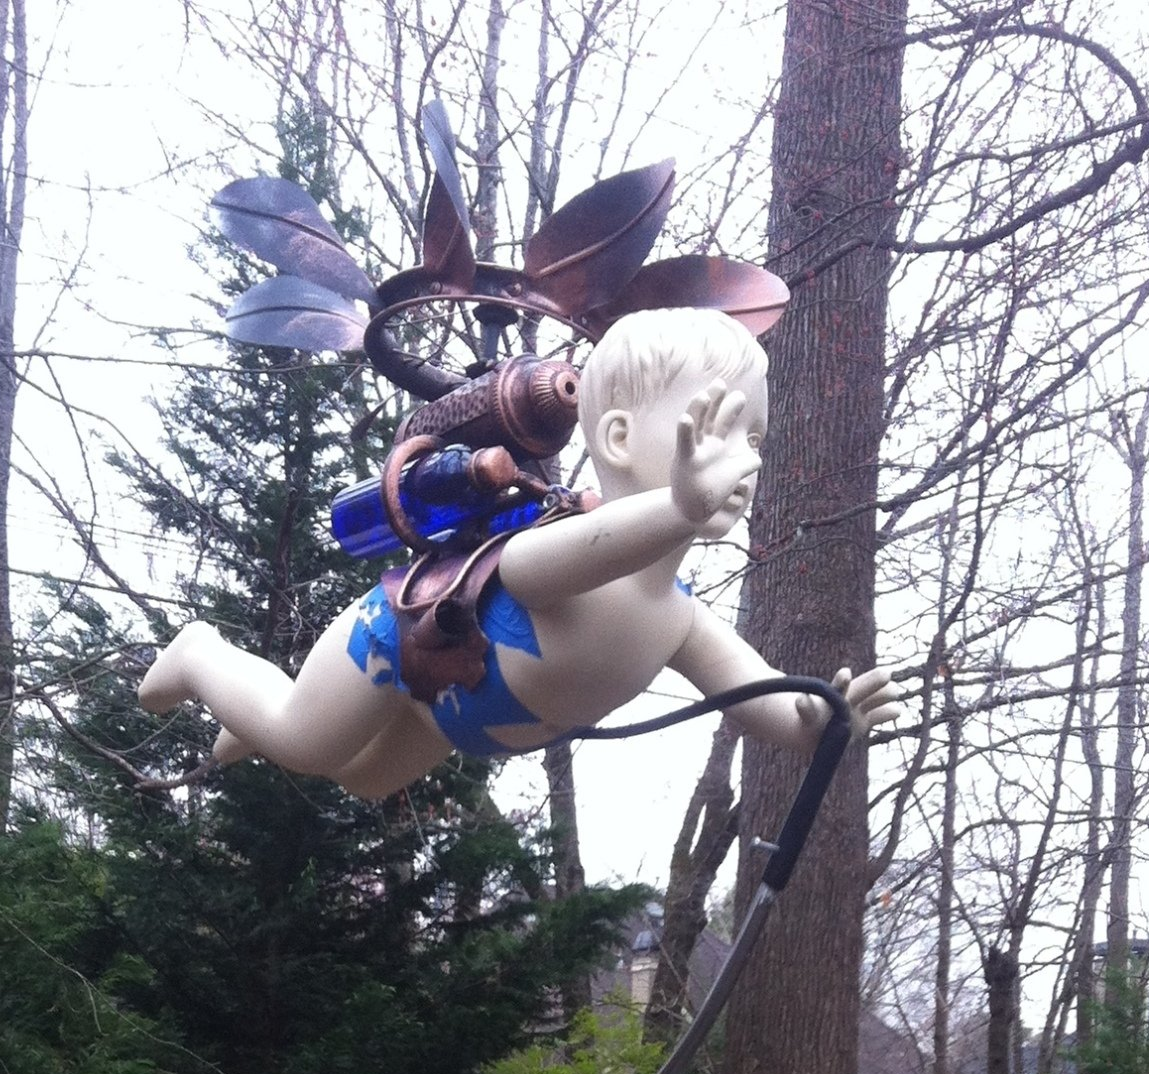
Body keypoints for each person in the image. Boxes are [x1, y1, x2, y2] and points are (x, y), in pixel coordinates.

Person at [138, 307, 901, 797]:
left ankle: (256, 715)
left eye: (756, 440)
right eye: (720, 427)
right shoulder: (560, 555)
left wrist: (823, 719)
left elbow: (762, 696)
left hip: (448, 720)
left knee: (362, 780)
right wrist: (676, 508)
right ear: (622, 438)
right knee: (306, 742)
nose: (744, 461)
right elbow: (533, 570)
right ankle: (200, 655)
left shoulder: (677, 622)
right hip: (398, 642)